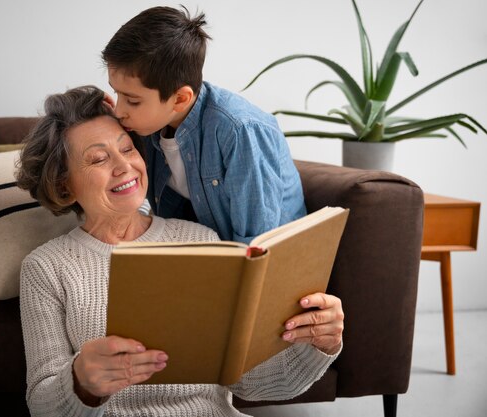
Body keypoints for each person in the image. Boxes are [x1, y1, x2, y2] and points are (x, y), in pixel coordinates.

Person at [17, 85, 344, 417]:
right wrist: (82, 381)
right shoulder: (46, 268)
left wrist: (320, 343)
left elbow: (253, 383)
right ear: (63, 185)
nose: (123, 167)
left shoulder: (200, 240)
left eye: (127, 149)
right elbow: (42, 405)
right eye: (99, 159)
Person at [102, 6, 307, 244]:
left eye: (132, 101)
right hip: (202, 254)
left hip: (266, 263)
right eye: (117, 93)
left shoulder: (240, 132)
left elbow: (257, 246)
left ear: (180, 99)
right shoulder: (150, 123)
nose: (120, 111)